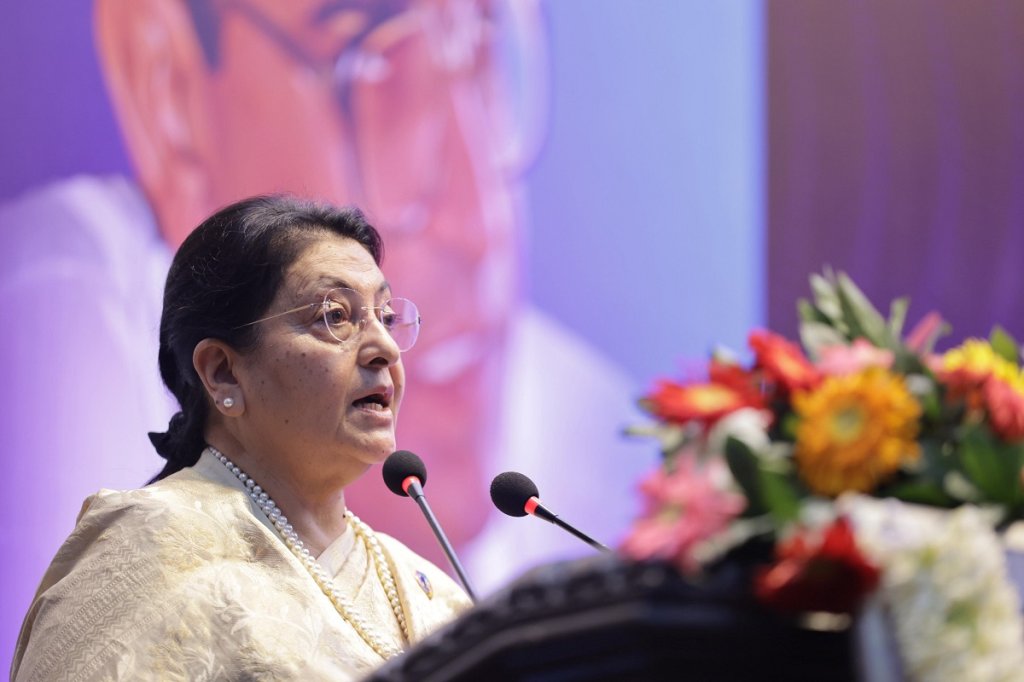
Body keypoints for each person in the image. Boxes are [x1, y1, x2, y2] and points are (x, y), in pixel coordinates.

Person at [11, 196, 472, 680]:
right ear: (223, 372)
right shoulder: (145, 552)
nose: (384, 348)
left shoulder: (430, 594)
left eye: (386, 316)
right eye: (335, 316)